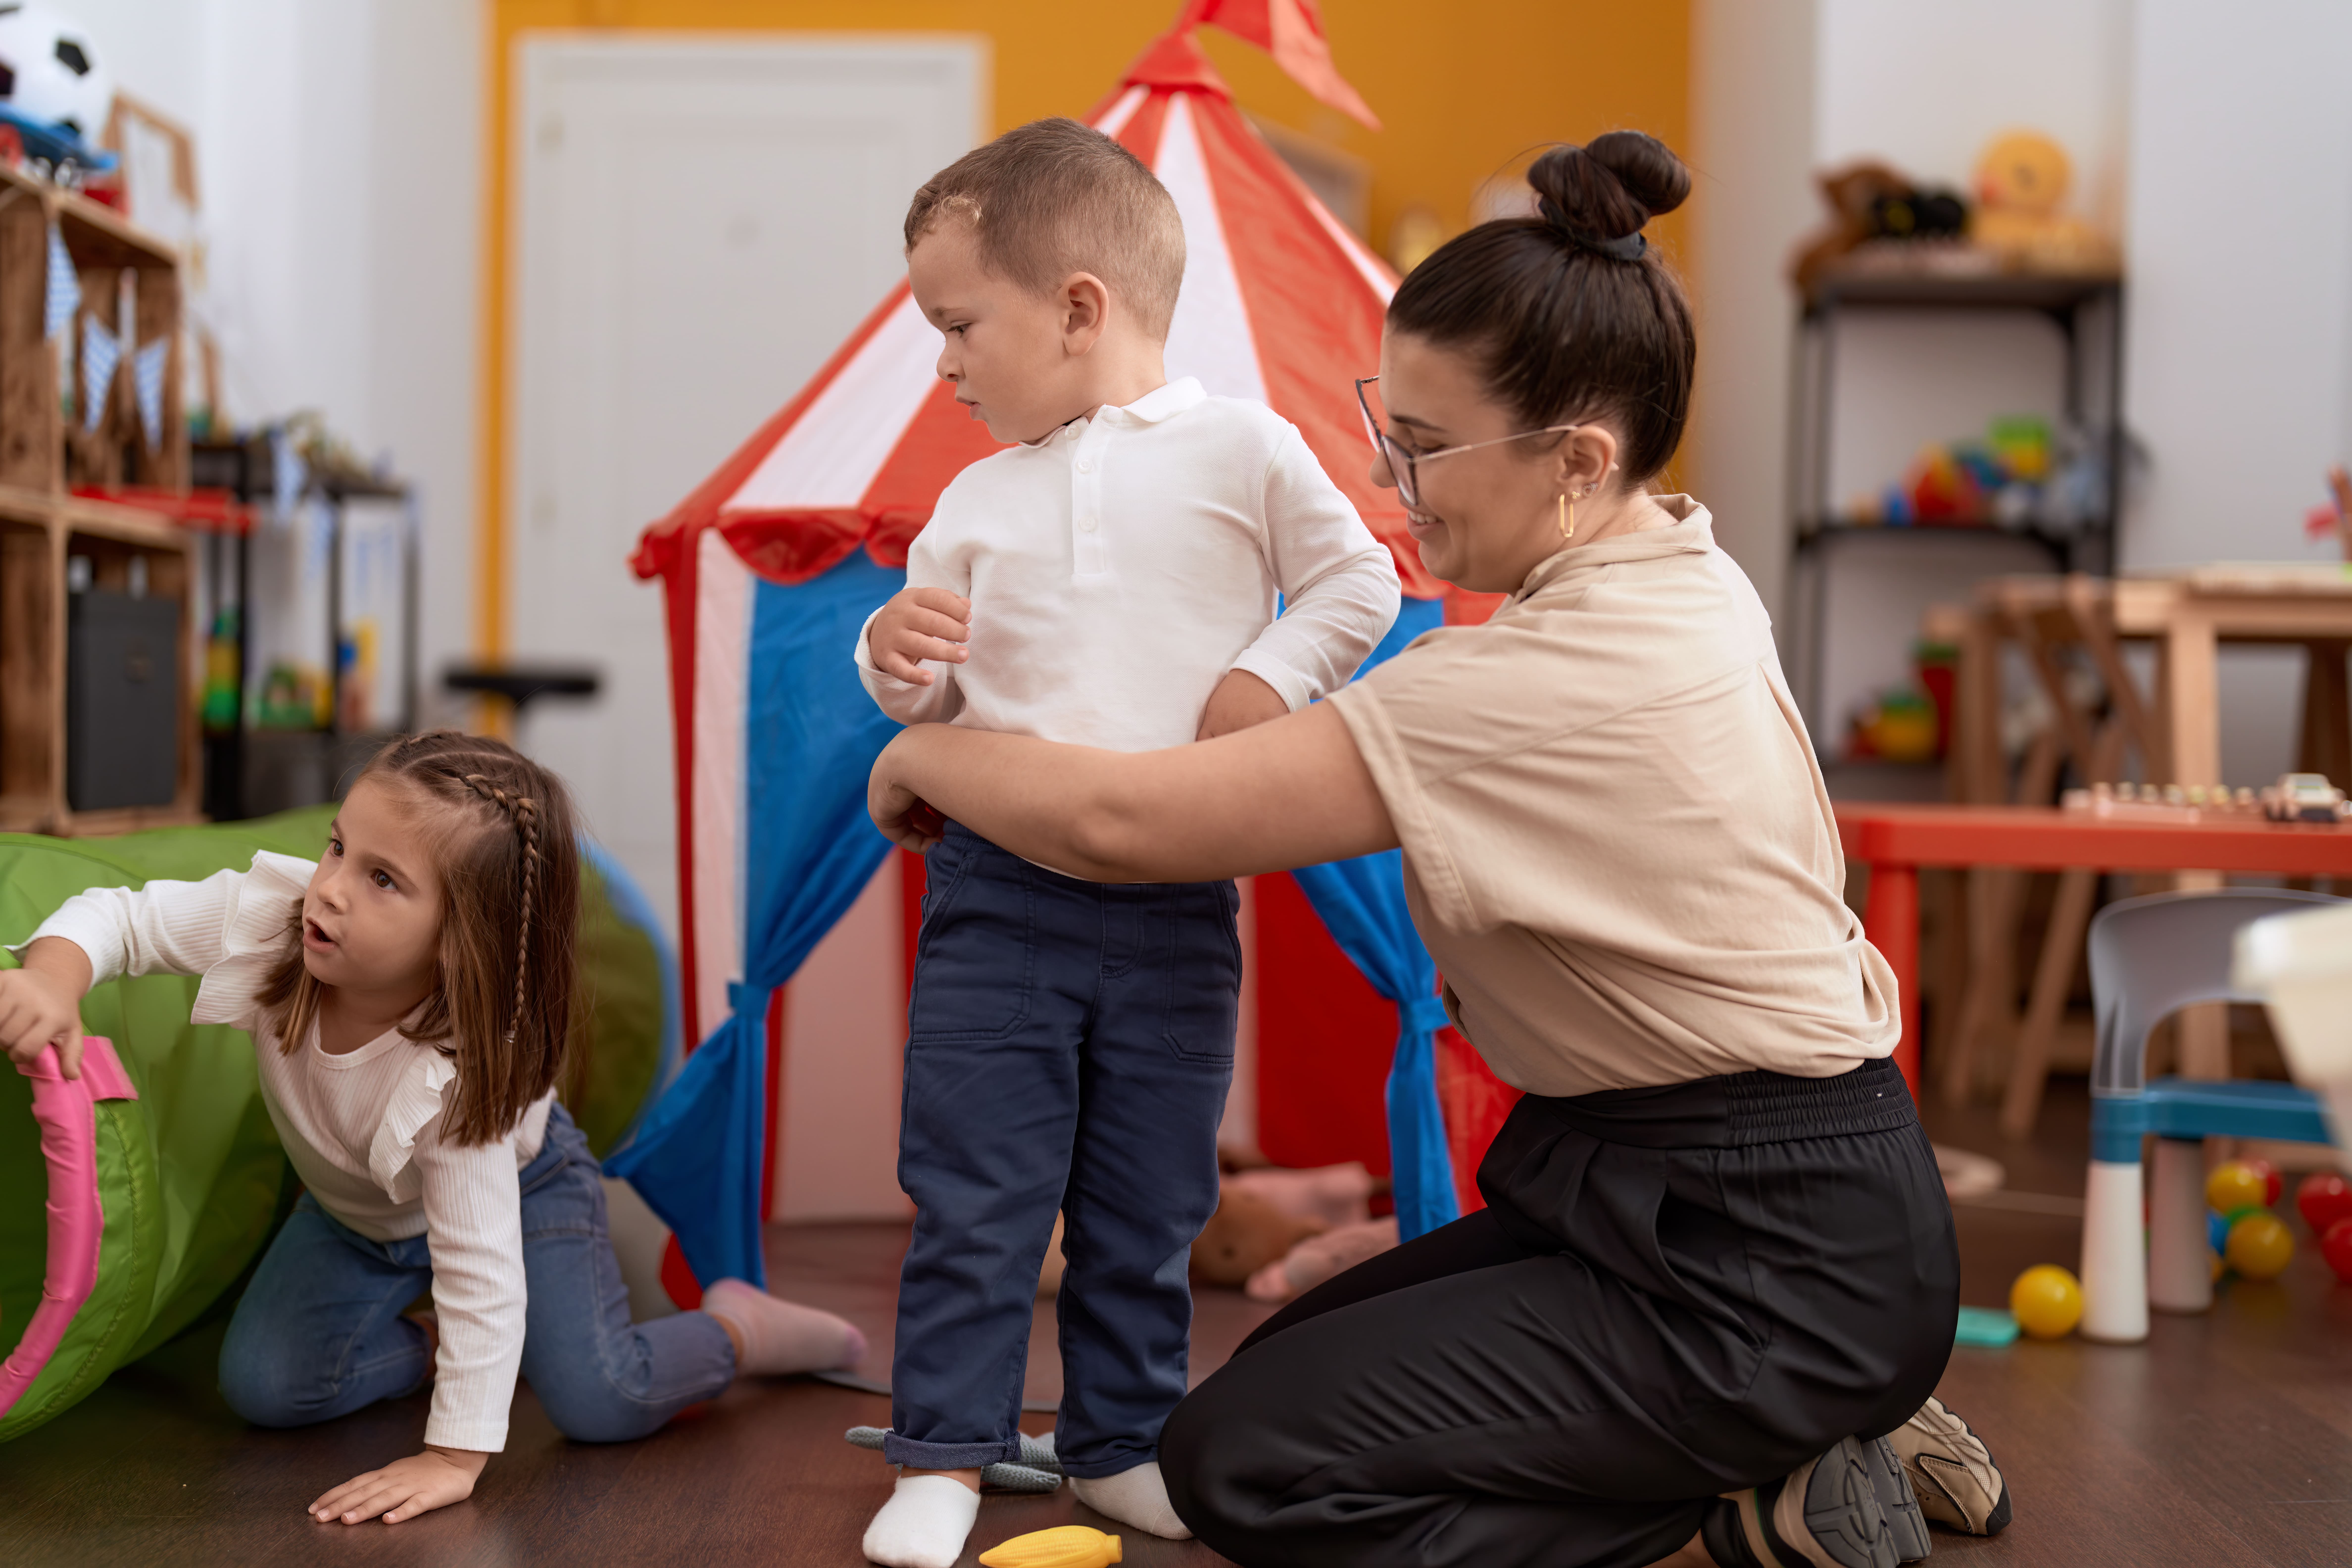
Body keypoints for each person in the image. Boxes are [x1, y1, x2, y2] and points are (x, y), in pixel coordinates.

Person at [863, 132, 2010, 1568]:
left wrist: (914, 757)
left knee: (1247, 1465)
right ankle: (1831, 1415)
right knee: (1302, 1358)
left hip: (1760, 1245)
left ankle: (1748, 1498)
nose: (1391, 475)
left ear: (1578, 460)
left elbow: (1123, 824)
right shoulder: (1681, 562)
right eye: (1384, 424)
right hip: (1657, 1185)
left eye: (1421, 445)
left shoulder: (1520, 685)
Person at [852, 118, 1402, 1568]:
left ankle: (1118, 1446)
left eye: (960, 324)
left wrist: (1269, 682)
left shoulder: (1243, 445)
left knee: (1147, 1208)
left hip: (1174, 910)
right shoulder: (973, 501)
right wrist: (890, 655)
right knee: (976, 1199)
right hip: (997, 904)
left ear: (1079, 307)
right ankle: (946, 1461)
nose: (947, 362)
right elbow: (938, 693)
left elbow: (1357, 582)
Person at [0, 732, 864, 1527]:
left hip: (522, 1194)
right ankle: (446, 1347)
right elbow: (121, 913)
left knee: (602, 1399)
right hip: (360, 1213)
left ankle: (739, 1328)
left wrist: (452, 1456)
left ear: (460, 941)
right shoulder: (278, 926)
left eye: (384, 880)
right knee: (267, 1387)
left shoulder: (454, 1087)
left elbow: (482, 1268)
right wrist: (51, 980)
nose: (331, 887)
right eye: (340, 845)